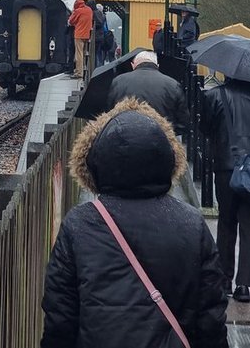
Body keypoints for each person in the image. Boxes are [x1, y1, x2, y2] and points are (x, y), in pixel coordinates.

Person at [41, 98, 228, 348]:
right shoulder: (192, 223)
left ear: (95, 162)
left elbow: (59, 321)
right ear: (167, 159)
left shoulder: (79, 225)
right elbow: (210, 320)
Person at [200, 76, 250, 301]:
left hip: (225, 167)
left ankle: (225, 281)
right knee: (248, 227)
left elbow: (205, 128)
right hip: (249, 168)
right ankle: (244, 285)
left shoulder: (214, 95)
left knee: (226, 224)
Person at [107, 49, 189, 135]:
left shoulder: (118, 82)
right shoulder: (173, 84)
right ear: (157, 65)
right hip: (160, 138)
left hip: (126, 136)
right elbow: (183, 123)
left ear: (133, 65)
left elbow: (110, 114)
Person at [68, 0, 93, 79]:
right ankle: (84, 70)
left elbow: (71, 21)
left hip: (79, 35)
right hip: (87, 35)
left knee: (78, 54)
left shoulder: (77, 11)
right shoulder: (89, 10)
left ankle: (79, 73)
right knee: (84, 54)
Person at [93, 4, 108, 69]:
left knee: (96, 53)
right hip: (102, 37)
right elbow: (105, 28)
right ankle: (101, 68)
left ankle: (96, 68)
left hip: (96, 36)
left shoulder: (95, 15)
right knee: (101, 54)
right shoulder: (104, 16)